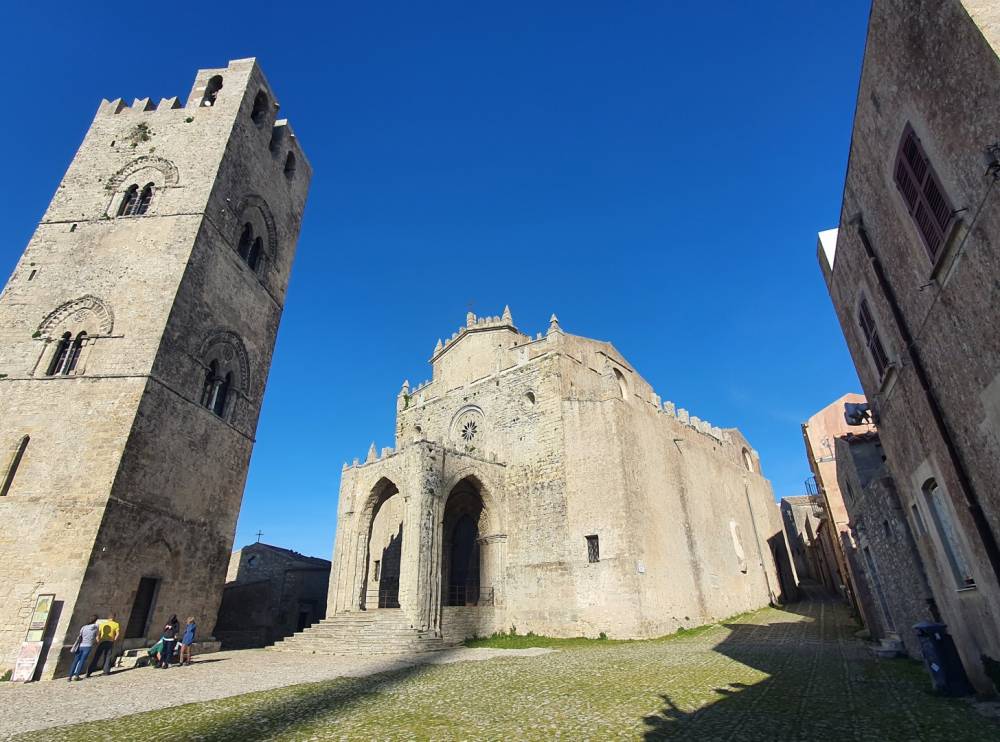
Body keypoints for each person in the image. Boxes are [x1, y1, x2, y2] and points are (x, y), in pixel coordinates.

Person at [87, 612, 120, 677]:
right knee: (108, 656)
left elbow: (98, 634)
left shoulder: (103, 624)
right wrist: (114, 640)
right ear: (114, 617)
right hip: (110, 641)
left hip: (102, 641)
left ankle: (89, 672)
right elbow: (117, 633)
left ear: (108, 617)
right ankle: (106, 671)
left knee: (97, 656)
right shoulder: (116, 624)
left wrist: (98, 640)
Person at [68, 615, 100, 681]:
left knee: (75, 661)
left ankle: (69, 676)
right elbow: (97, 637)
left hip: (80, 645)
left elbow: (80, 636)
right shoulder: (96, 627)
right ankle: (77, 675)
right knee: (82, 661)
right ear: (96, 620)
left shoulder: (83, 627)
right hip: (88, 646)